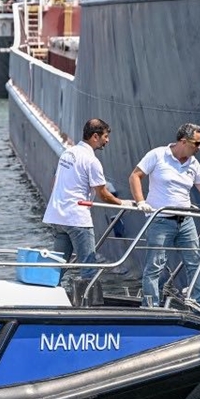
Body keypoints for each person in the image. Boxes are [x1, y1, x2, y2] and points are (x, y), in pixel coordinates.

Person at [129, 123, 200, 307]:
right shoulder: (158, 155)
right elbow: (135, 176)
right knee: (155, 264)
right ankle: (150, 305)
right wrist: (141, 201)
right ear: (183, 141)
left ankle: (197, 303)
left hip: (186, 221)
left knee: (194, 263)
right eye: (197, 143)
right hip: (160, 220)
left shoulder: (193, 163)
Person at [42, 118, 124, 279]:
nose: (107, 141)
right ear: (95, 136)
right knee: (88, 267)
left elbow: (55, 183)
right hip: (77, 219)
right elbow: (103, 194)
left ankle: (47, 291)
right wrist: (123, 203)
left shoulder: (68, 153)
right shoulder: (92, 161)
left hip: (58, 217)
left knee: (57, 266)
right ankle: (88, 296)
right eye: (105, 136)